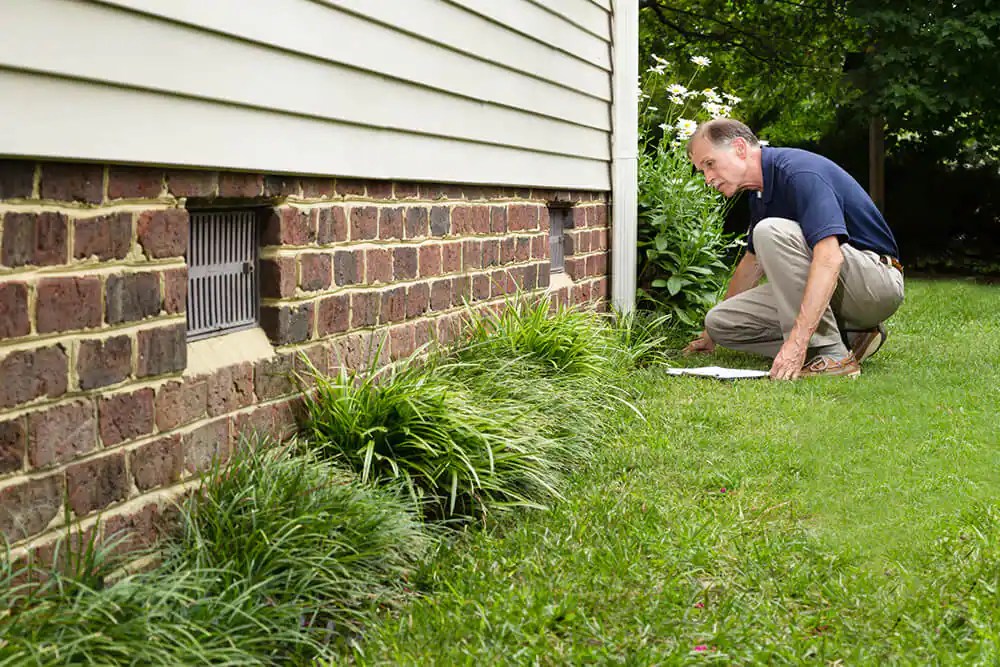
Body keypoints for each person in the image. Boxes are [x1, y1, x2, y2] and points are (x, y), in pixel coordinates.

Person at [683, 118, 904, 380]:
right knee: (721, 322)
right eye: (702, 170)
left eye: (710, 164)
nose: (707, 178)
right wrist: (710, 337)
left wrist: (797, 343)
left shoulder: (799, 173)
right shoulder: (760, 193)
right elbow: (751, 266)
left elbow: (829, 258)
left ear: (740, 148)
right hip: (841, 291)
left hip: (875, 284)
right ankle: (853, 337)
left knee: (770, 230)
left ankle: (832, 355)